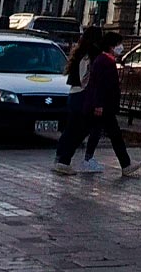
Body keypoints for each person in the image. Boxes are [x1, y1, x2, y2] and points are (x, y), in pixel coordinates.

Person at [83, 31, 141, 177]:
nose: (120, 47)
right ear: (111, 46)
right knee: (102, 133)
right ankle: (123, 164)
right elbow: (99, 84)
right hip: (103, 105)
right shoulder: (103, 62)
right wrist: (98, 104)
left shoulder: (107, 61)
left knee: (105, 133)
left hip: (105, 105)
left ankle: (124, 164)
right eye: (118, 44)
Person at [53, 25, 102, 175]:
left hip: (75, 94)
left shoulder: (80, 52)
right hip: (82, 96)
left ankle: (61, 158)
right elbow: (85, 78)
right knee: (80, 130)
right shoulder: (90, 55)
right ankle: (64, 160)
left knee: (72, 129)